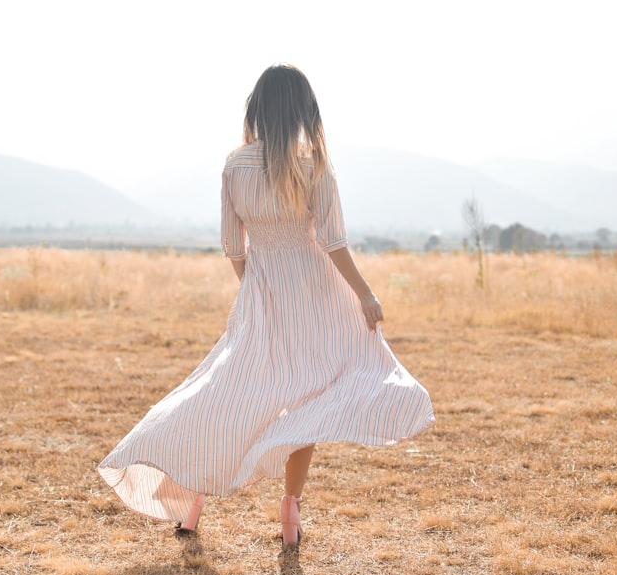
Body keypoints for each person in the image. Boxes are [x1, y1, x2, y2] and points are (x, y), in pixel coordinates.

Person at [97, 63, 434, 548]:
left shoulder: (235, 166)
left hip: (261, 293)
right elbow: (334, 242)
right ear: (301, 110)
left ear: (257, 108)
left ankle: (192, 501)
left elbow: (234, 247)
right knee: (311, 397)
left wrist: (256, 291)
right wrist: (364, 292)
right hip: (317, 296)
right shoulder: (314, 164)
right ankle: (290, 512)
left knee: (227, 393)